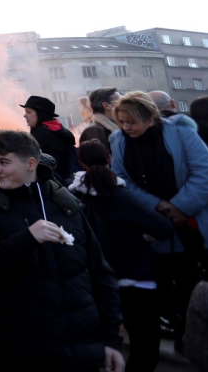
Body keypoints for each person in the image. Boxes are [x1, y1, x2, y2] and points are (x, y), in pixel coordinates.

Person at [0, 130, 124, 372]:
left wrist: (112, 339)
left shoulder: (65, 202)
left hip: (84, 347)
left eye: (3, 162)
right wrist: (27, 239)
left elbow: (100, 272)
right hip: (24, 351)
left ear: (31, 163)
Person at [109, 91, 208, 347]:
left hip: (192, 222)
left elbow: (206, 171)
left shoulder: (181, 132)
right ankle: (178, 328)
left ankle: (197, 337)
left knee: (195, 280)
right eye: (121, 121)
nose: (126, 127)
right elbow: (122, 180)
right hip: (152, 223)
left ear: (150, 118)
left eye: (131, 121)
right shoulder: (119, 141)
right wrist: (157, 205)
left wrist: (180, 206)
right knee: (163, 281)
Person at [69, 140, 173, 372]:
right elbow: (164, 228)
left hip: (93, 282)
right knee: (145, 346)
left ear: (80, 162)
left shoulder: (72, 198)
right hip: (136, 278)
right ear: (109, 159)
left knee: (104, 346)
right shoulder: (120, 194)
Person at [0, 95, 76, 181]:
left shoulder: (42, 133)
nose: (25, 115)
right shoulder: (55, 129)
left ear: (40, 114)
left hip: (51, 180)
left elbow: (16, 148)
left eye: (29, 112)